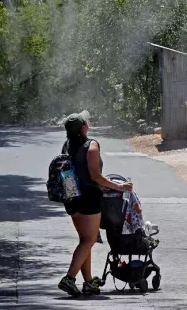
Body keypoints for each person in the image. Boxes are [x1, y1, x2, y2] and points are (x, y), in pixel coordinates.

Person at [58, 110, 133, 296]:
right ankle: (69, 278)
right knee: (89, 240)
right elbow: (95, 176)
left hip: (72, 197)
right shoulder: (91, 145)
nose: (89, 122)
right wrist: (119, 186)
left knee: (85, 240)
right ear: (83, 127)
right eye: (86, 122)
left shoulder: (67, 145)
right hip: (89, 198)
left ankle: (89, 282)